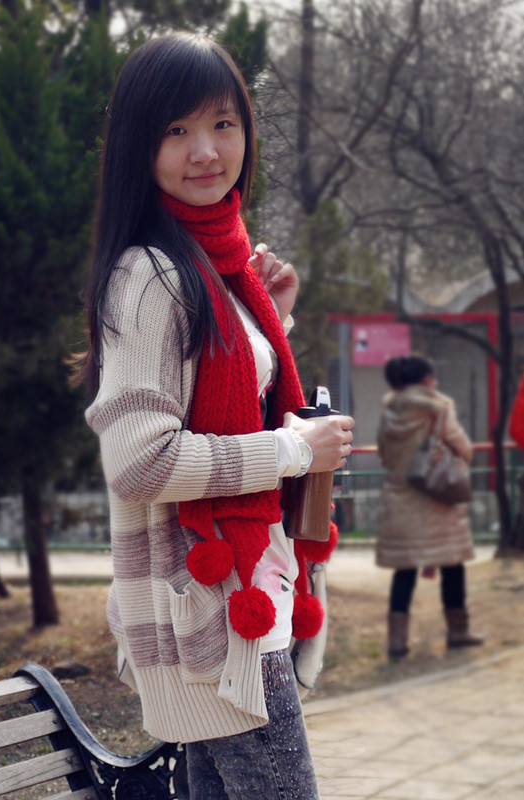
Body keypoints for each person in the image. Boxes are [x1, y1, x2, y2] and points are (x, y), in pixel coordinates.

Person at [75, 32, 355, 800]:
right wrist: (294, 450)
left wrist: (267, 322)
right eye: (176, 130)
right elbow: (141, 461)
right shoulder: (150, 275)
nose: (204, 151)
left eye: (222, 123)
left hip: (231, 601)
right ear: (139, 146)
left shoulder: (213, 265)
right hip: (211, 614)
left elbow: (207, 384)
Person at [374, 354, 482, 658]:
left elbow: (385, 456)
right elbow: (464, 449)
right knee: (453, 567)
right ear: (426, 380)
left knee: (404, 572)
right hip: (438, 502)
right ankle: (458, 632)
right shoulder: (438, 409)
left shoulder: (390, 411)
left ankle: (397, 641)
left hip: (401, 501)